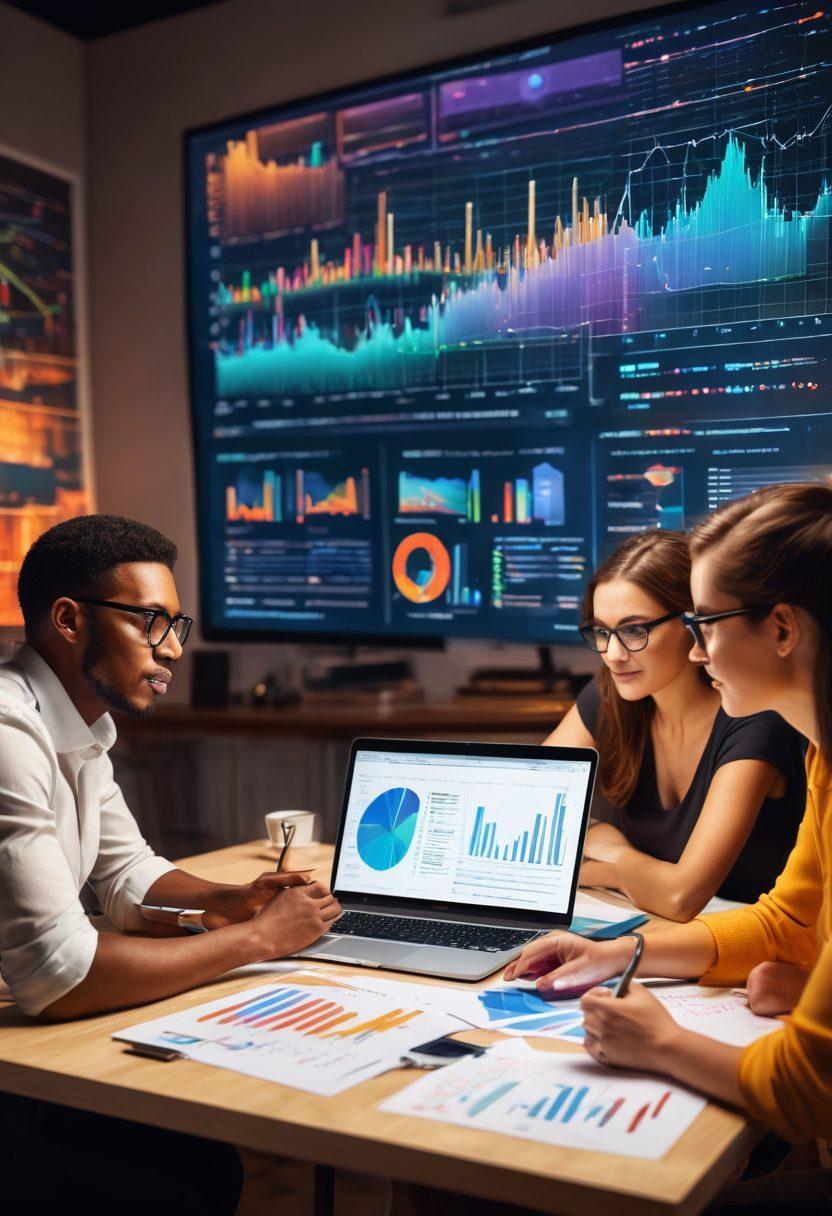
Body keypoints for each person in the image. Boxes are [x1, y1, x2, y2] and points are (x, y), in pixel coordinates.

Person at [0, 514, 341, 1215]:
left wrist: (231, 899)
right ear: (68, 620)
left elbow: (129, 875)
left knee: (204, 1159)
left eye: (176, 627)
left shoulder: (78, 722)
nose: (173, 651)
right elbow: (58, 977)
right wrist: (256, 940)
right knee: (184, 1175)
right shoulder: (8, 734)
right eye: (151, 622)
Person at [506, 483, 832, 1211]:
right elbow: (784, 922)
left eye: (706, 621)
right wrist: (626, 952)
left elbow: (809, 1092)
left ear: (782, 629)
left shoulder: (774, 734)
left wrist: (661, 1044)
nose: (700, 643)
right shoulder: (823, 758)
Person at [544, 530, 806, 920]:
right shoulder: (613, 694)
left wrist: (613, 857)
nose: (613, 654)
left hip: (746, 950)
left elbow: (682, 898)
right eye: (602, 631)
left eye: (635, 630)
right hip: (656, 929)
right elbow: (530, 805)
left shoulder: (756, 719)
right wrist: (635, 874)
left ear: (694, 623)